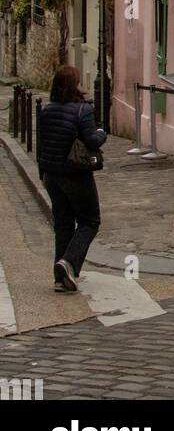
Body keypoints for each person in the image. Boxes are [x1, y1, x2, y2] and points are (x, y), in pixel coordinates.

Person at [37, 64, 108, 293]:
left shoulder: (47, 110)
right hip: (75, 174)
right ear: (73, 86)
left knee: (63, 224)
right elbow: (92, 141)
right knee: (90, 221)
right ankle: (68, 262)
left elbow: (40, 146)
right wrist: (101, 132)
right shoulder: (82, 110)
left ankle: (60, 279)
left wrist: (42, 174)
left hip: (51, 175)